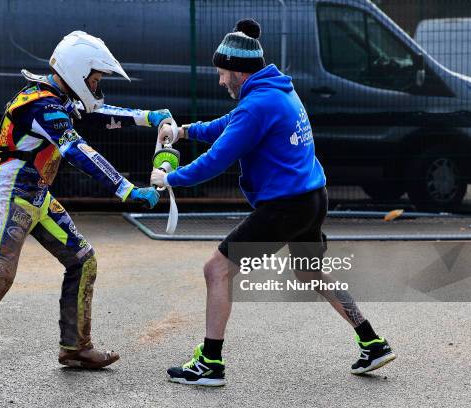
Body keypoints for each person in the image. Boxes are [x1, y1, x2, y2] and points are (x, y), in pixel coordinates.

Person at [151, 19, 396, 387]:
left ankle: (210, 364)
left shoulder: (257, 104)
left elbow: (218, 159)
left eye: (222, 74)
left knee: (216, 270)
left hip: (285, 207)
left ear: (238, 71)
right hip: (314, 197)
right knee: (310, 271)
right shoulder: (275, 89)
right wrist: (185, 131)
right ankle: (372, 341)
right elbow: (229, 122)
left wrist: (169, 178)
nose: (220, 81)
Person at [0, 31, 170, 382]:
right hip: (12, 193)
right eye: (96, 78)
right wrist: (126, 190)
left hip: (36, 195)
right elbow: (77, 150)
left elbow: (96, 113)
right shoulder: (40, 104)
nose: (97, 85)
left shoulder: (57, 98)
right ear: (78, 71)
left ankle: (75, 347)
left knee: (82, 260)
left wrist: (146, 117)